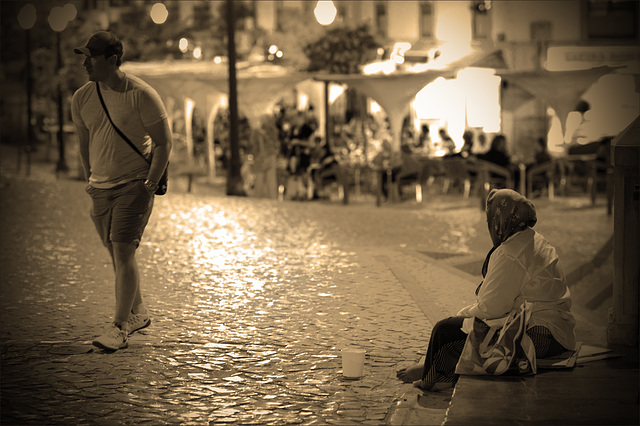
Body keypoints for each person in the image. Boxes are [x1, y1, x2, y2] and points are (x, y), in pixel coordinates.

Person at [397, 189, 576, 391]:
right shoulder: (534, 239)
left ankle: (435, 376)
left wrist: (460, 316)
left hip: (539, 339)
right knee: (463, 329)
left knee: (446, 330)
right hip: (559, 335)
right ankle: (433, 368)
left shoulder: (510, 253)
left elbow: (491, 309)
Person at [71, 31, 172, 351]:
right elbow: (84, 143)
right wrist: (89, 179)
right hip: (100, 187)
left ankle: (118, 328)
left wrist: (150, 183)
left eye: (92, 57)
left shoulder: (141, 94)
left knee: (122, 249)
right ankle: (138, 313)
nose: (85, 62)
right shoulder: (82, 98)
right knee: (117, 252)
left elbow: (163, 142)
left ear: (112, 60)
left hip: (134, 184)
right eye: (84, 56)